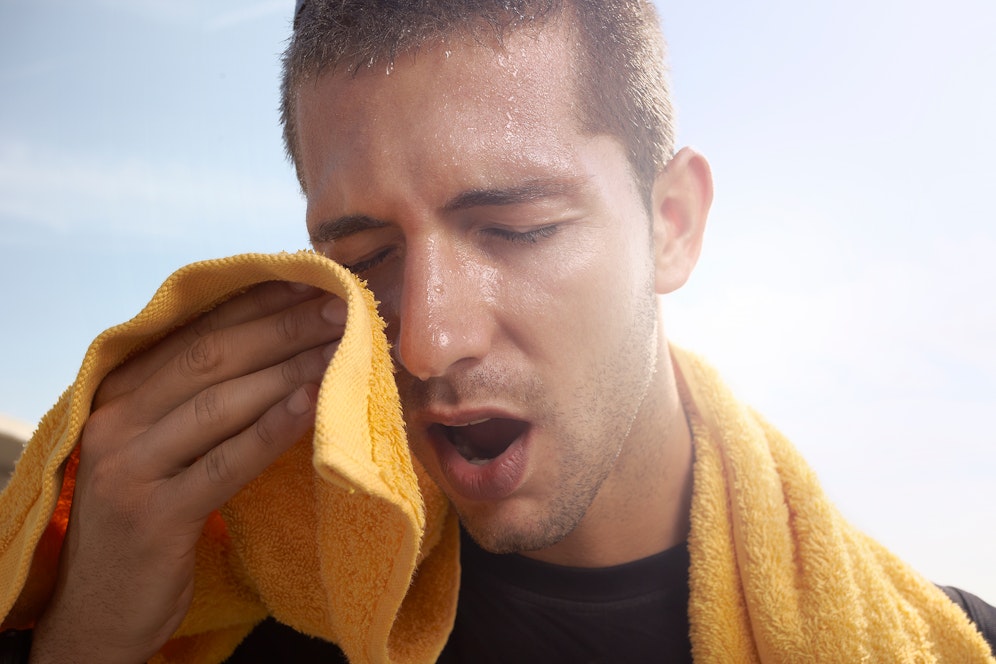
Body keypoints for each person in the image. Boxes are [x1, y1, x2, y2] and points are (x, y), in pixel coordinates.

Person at [7, 1, 994, 662]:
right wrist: (86, 635)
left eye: (518, 228)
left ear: (672, 225)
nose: (428, 342)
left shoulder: (945, 641)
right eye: (362, 257)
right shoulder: (273, 619)